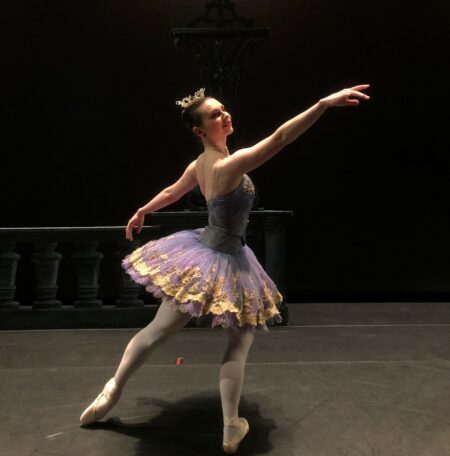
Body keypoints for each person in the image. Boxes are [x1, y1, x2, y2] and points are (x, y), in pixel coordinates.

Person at [79, 84, 370, 452]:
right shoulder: (229, 164)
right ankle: (230, 423)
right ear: (200, 130)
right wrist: (322, 104)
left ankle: (113, 389)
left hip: (210, 248)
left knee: (160, 331)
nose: (225, 115)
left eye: (223, 109)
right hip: (222, 257)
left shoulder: (200, 164)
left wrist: (143, 210)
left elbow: (173, 191)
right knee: (237, 339)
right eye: (215, 115)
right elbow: (281, 138)